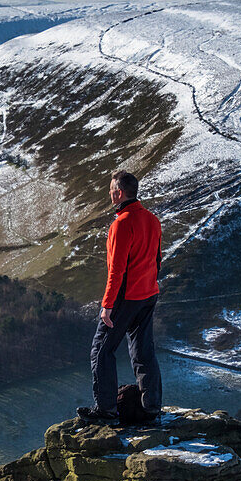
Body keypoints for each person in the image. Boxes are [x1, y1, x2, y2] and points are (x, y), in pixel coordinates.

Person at [77, 169, 162, 425]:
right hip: (149, 294)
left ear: (119, 192)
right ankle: (152, 407)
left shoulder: (121, 224)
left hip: (127, 296)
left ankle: (106, 411)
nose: (109, 193)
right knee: (143, 350)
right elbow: (157, 259)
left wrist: (107, 305)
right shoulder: (152, 220)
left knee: (101, 351)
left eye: (111, 189)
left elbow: (117, 270)